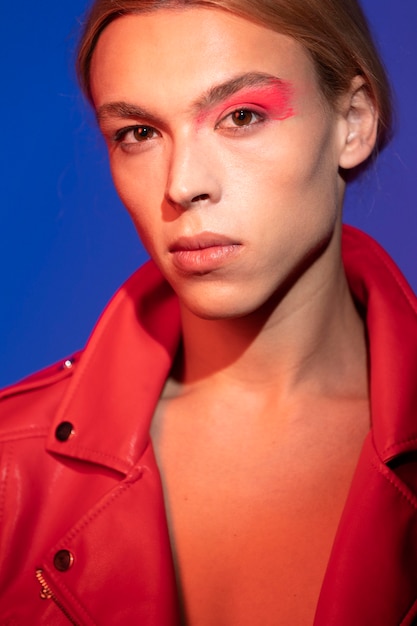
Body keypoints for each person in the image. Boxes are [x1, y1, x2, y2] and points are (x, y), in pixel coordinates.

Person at [0, 0, 416, 624]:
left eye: (240, 116)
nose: (181, 184)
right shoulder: (11, 468)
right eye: (137, 133)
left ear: (352, 122)